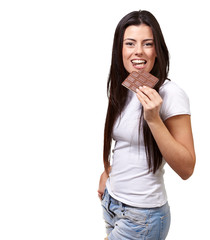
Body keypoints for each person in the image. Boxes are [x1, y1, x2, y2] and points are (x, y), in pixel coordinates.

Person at [98, 10, 196, 240]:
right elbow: (124, 140)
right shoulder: (125, 87)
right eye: (130, 43)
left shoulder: (171, 94)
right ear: (120, 50)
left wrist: (153, 119)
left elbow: (187, 168)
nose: (138, 51)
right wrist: (107, 171)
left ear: (157, 50)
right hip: (112, 205)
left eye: (147, 44)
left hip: (142, 217)